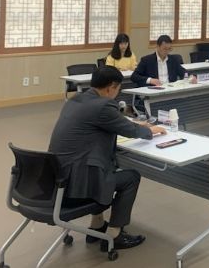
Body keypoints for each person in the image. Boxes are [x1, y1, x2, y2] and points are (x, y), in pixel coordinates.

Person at [48, 67, 167, 251]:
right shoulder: (103, 105)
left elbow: (108, 122)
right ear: (111, 87)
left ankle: (96, 226)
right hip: (77, 184)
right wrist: (151, 130)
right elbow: (130, 130)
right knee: (130, 177)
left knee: (103, 165)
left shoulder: (76, 100)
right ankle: (114, 235)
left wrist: (134, 124)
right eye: (118, 88)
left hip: (59, 179)